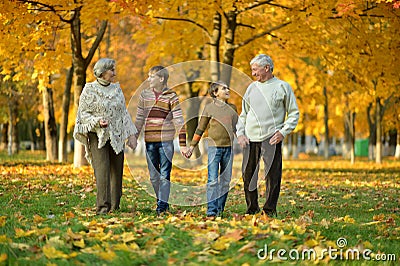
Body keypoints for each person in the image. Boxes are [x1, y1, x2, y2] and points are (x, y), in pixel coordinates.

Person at [236, 54, 299, 217]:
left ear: (267, 68)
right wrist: (240, 133)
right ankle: (252, 208)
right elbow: (244, 114)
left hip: (271, 138)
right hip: (250, 139)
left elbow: (293, 113)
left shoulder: (282, 87)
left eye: (255, 69)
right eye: (252, 70)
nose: (253, 73)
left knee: (272, 176)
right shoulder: (251, 88)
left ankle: (269, 210)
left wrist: (283, 132)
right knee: (248, 174)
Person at [73, 58, 138, 215]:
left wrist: (131, 134)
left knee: (117, 170)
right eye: (112, 70)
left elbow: (123, 113)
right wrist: (97, 121)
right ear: (102, 72)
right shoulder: (89, 89)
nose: (115, 73)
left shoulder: (117, 90)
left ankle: (115, 207)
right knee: (102, 171)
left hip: (116, 134)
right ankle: (103, 207)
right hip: (98, 135)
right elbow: (83, 114)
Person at [135, 66, 187, 216]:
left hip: (166, 141)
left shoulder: (171, 96)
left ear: (161, 79)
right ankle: (161, 199)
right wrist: (134, 137)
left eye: (152, 76)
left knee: (164, 174)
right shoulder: (144, 95)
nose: (149, 79)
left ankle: (162, 206)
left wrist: (182, 144)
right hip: (149, 141)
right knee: (153, 175)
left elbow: (179, 120)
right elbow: (139, 119)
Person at [186, 81, 238, 218]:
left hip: (229, 149)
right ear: (215, 93)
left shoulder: (232, 108)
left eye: (227, 87)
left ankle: (219, 209)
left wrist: (243, 139)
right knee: (213, 180)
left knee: (225, 181)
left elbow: (237, 128)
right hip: (214, 149)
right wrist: (192, 146)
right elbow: (200, 128)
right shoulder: (209, 108)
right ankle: (211, 210)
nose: (228, 89)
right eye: (224, 88)